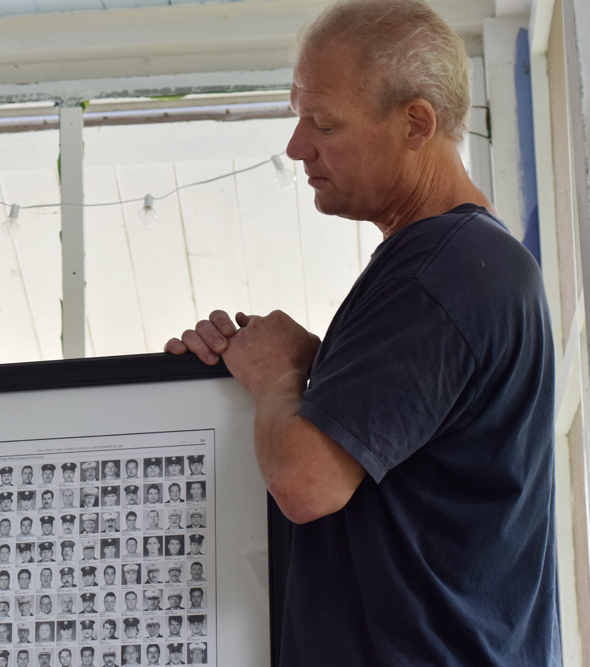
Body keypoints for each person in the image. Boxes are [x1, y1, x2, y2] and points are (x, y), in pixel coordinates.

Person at [164, 0, 559, 664]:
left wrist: (280, 375)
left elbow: (306, 479)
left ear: (415, 123)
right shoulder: (467, 265)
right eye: (298, 115)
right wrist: (229, 386)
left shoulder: (442, 273)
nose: (296, 147)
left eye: (324, 122)